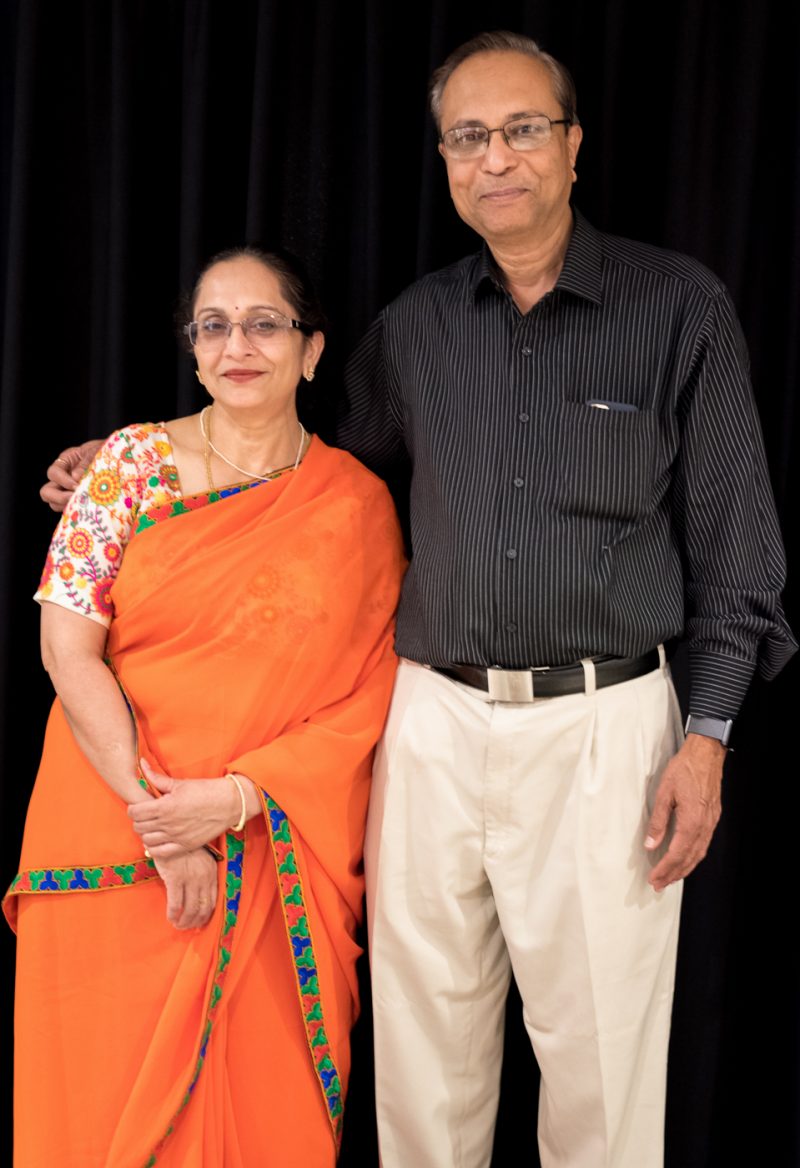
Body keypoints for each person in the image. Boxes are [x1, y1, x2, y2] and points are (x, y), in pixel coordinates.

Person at [38, 31, 796, 1168]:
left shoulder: (679, 308)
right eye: (467, 137)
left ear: (573, 145)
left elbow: (738, 553)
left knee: (601, 1066)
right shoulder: (417, 324)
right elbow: (301, 466)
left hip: (605, 728)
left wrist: (708, 738)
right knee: (422, 1055)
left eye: (522, 129)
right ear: (443, 161)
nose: (496, 158)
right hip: (431, 721)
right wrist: (137, 463)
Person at [10, 246, 405, 1167]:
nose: (238, 346)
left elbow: (370, 694)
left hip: (270, 848)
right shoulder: (127, 468)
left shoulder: (358, 507)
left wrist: (234, 801)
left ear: (312, 350)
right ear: (193, 351)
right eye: (214, 326)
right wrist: (164, 824)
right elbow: (67, 650)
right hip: (114, 842)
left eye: (265, 324)